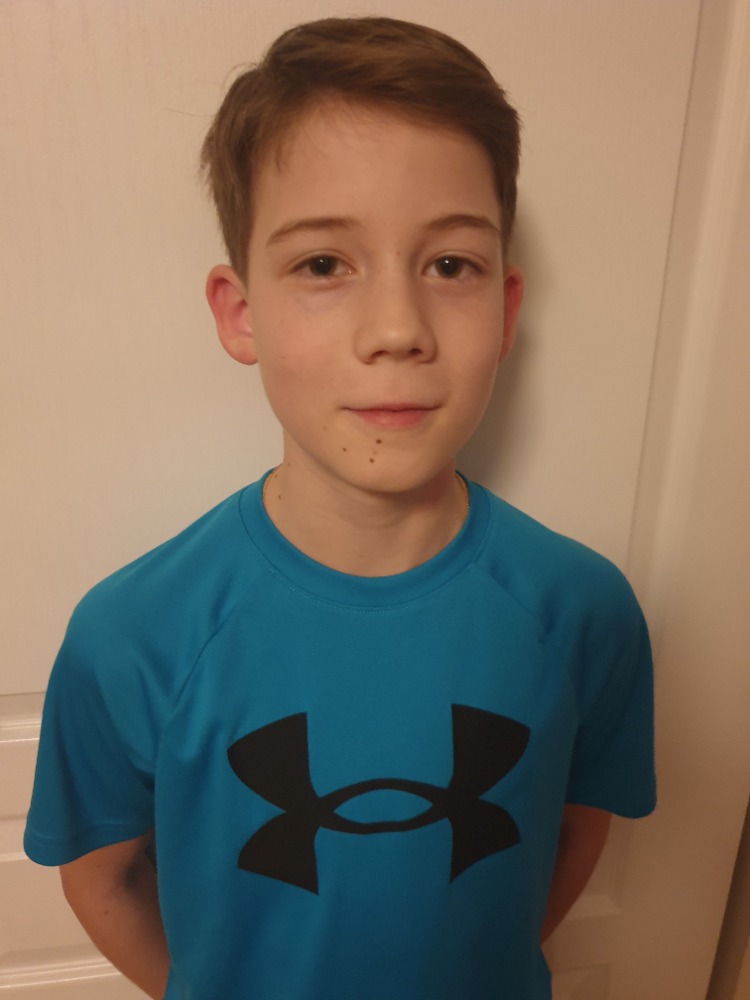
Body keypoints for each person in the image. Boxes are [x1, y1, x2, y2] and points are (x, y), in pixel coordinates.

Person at [24, 15, 655, 1000]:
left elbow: (574, 831)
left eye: (450, 265)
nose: (397, 329)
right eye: (323, 264)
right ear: (241, 314)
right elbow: (100, 876)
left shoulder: (583, 609)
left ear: (506, 308)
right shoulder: (133, 635)